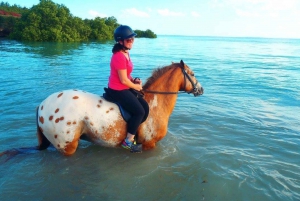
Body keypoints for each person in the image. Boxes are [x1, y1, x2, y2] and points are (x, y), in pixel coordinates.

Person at [107, 25, 149, 151]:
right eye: (129, 40)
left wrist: (133, 80)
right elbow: (123, 80)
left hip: (124, 86)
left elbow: (127, 76)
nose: (132, 42)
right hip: (117, 89)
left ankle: (133, 131)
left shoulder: (126, 53)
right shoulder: (119, 56)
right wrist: (136, 86)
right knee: (139, 112)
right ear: (121, 41)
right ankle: (128, 142)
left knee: (145, 107)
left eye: (132, 39)